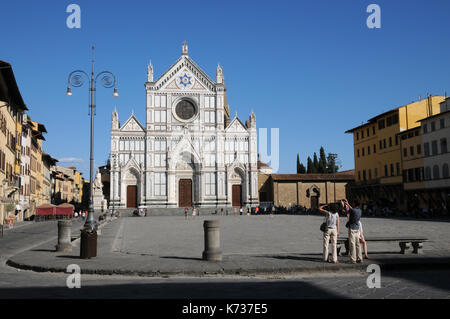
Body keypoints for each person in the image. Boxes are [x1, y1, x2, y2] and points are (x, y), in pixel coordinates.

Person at [342, 199, 363, 264]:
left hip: (352, 229)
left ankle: (353, 259)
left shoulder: (353, 210)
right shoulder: (360, 210)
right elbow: (352, 210)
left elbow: (347, 210)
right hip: (357, 228)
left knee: (352, 244)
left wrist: (346, 204)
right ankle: (360, 258)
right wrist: (347, 204)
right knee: (358, 244)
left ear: (354, 204)